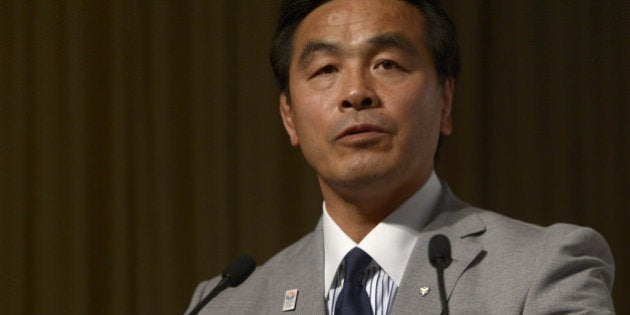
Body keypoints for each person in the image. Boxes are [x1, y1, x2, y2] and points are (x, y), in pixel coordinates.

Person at [186, 0, 615, 313]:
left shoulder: (545, 268)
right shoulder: (227, 302)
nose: (356, 93)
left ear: (445, 101)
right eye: (326, 70)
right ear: (289, 118)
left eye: (387, 64)